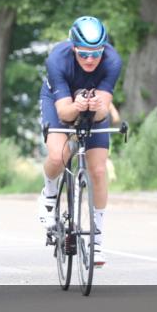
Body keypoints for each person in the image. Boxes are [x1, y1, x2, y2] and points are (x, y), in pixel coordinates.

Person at [38, 16, 123, 268]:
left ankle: (96, 242)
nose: (90, 59)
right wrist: (77, 106)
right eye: (84, 53)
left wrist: (96, 108)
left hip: (91, 101)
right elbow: (64, 113)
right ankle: (49, 195)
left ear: (103, 49)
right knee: (58, 156)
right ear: (73, 47)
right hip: (60, 102)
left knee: (97, 170)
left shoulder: (112, 61)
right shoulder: (57, 59)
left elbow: (102, 112)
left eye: (96, 53)